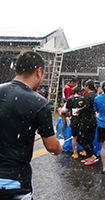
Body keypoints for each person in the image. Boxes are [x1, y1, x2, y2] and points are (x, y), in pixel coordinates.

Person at [0, 51, 62, 199]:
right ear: (39, 71)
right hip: (15, 182)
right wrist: (60, 144)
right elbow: (52, 147)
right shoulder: (38, 103)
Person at [77, 80, 98, 166]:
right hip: (93, 119)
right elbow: (91, 106)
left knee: (80, 139)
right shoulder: (95, 96)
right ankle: (90, 156)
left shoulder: (87, 95)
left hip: (86, 120)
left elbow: (87, 107)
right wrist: (83, 104)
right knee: (89, 139)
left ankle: (92, 155)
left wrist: (80, 110)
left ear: (87, 86)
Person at [65, 87, 84, 159]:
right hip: (81, 119)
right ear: (80, 92)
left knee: (74, 137)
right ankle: (84, 150)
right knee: (82, 136)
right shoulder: (82, 99)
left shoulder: (70, 99)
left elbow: (66, 109)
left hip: (74, 119)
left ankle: (75, 153)